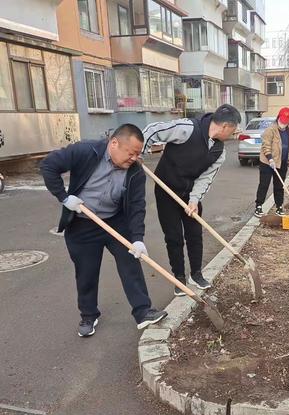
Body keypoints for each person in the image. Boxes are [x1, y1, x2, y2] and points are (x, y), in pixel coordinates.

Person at [41, 124, 167, 337]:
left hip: (115, 222)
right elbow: (48, 166)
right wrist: (63, 197)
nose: (135, 158)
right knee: (86, 272)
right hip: (82, 223)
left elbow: (137, 206)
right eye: (131, 153)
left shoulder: (135, 171)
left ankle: (143, 311)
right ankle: (88, 316)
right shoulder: (86, 151)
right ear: (115, 143)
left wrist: (137, 239)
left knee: (130, 264)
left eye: (138, 154)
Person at [142, 104, 241, 296]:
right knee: (174, 237)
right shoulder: (187, 128)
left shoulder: (219, 151)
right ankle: (178, 277)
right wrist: (139, 152)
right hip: (166, 190)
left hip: (189, 194)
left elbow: (205, 178)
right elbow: (153, 130)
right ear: (226, 127)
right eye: (234, 130)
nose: (233, 134)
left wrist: (194, 200)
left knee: (195, 235)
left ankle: (196, 274)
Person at [254, 107, 289, 218]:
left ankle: (279, 206)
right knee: (264, 184)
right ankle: (258, 206)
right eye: (282, 120)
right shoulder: (271, 130)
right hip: (267, 162)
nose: (283, 123)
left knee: (279, 186)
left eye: (285, 121)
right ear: (278, 118)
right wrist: (270, 158)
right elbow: (266, 145)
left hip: (281, 163)